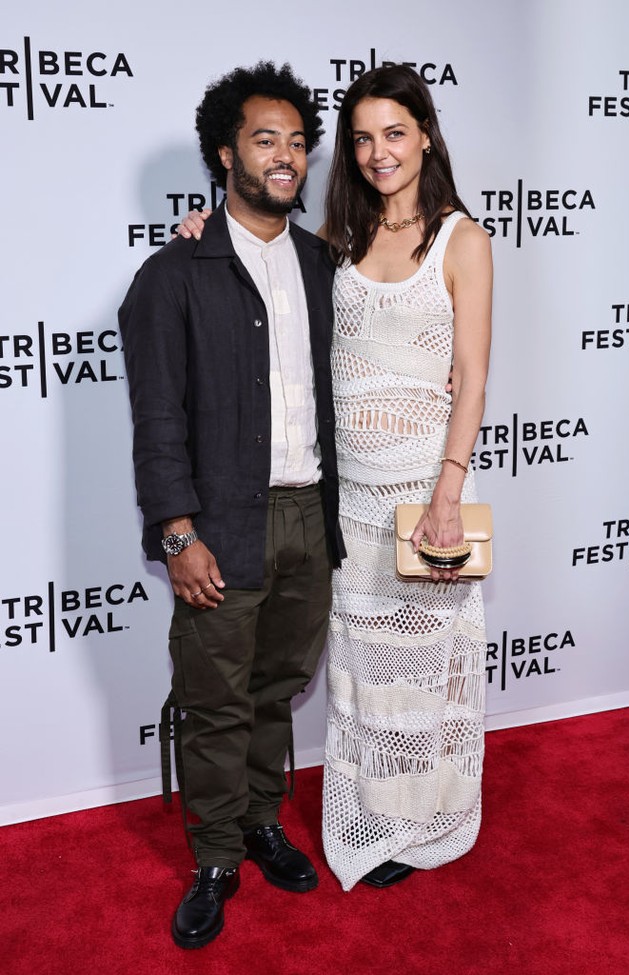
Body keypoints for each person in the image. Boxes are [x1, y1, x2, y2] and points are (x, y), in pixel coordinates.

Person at [177, 64, 492, 892]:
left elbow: (473, 377)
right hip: (342, 502)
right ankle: (369, 815)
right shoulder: (335, 245)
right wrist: (201, 236)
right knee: (359, 679)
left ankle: (424, 819)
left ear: (426, 134)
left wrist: (447, 495)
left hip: (422, 499)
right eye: (362, 138)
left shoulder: (463, 239)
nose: (379, 151)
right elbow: (254, 262)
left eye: (395, 132)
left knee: (424, 673)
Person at [118, 61, 345, 950]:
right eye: (264, 140)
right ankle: (215, 857)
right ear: (226, 154)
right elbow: (156, 416)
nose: (284, 157)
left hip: (307, 517)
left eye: (296, 142)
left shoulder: (325, 263)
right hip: (220, 521)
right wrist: (177, 532)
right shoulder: (174, 275)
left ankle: (260, 821)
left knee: (276, 691)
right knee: (214, 698)